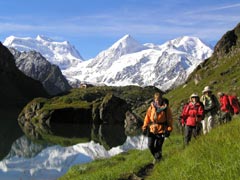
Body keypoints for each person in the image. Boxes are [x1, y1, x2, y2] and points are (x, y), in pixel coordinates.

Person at [142, 92, 173, 163]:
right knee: (150, 145)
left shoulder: (166, 108)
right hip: (152, 129)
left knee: (158, 147)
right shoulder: (151, 108)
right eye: (156, 100)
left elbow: (170, 119)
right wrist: (144, 127)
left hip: (162, 129)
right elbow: (147, 118)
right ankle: (157, 157)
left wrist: (169, 129)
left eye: (159, 100)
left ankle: (158, 160)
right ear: (154, 100)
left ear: (162, 99)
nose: (158, 101)